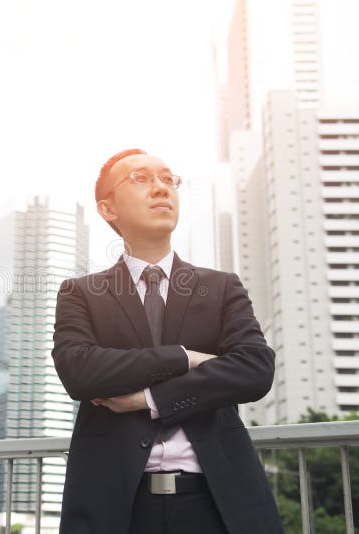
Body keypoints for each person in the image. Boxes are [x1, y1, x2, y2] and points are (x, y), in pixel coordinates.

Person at [51, 149, 285, 533]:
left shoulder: (221, 287)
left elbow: (255, 370)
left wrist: (149, 399)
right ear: (108, 209)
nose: (161, 188)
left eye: (168, 179)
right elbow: (79, 371)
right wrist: (185, 357)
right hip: (117, 507)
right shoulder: (81, 293)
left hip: (217, 502)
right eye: (141, 179)